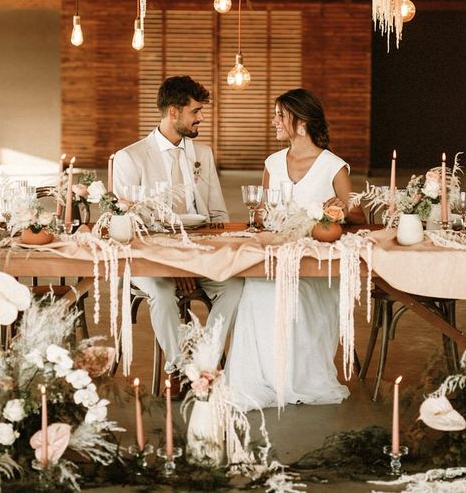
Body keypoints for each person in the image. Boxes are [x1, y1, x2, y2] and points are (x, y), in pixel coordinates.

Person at [226, 88, 365, 410]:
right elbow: (262, 213)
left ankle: (296, 379)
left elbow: (357, 214)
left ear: (300, 122)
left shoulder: (333, 166)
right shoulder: (273, 163)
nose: (273, 121)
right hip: (275, 258)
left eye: (279, 115)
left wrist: (337, 210)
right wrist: (261, 216)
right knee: (256, 291)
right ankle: (261, 381)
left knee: (294, 294)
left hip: (316, 264)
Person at [113, 75, 243, 376]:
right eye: (195, 111)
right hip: (150, 261)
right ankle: (183, 370)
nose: (201, 118)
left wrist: (194, 261)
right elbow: (129, 226)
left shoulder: (203, 154)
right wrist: (174, 266)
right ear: (174, 112)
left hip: (199, 254)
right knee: (161, 293)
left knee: (236, 286)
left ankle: (205, 359)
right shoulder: (130, 158)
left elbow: (218, 214)